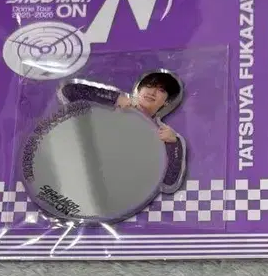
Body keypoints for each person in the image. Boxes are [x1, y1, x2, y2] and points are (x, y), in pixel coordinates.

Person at [58, 70, 186, 193]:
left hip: (119, 191)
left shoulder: (163, 136)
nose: (152, 92)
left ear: (167, 101)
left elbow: (169, 182)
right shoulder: (114, 106)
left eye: (161, 90)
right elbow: (69, 91)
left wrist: (173, 144)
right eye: (149, 85)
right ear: (139, 89)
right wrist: (114, 98)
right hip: (78, 173)